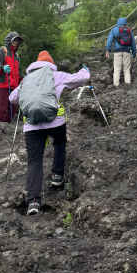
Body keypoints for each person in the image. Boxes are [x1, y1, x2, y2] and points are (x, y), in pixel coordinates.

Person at [8, 51, 90, 216]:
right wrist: (85, 70)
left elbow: (12, 98)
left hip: (31, 125)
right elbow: (80, 79)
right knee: (59, 143)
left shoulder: (26, 80)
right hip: (55, 121)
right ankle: (57, 176)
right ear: (51, 64)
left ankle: (33, 201)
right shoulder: (56, 75)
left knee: (34, 161)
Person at [0, 31, 22, 124]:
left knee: (13, 108)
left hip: (14, 85)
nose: (16, 43)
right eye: (14, 40)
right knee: (2, 107)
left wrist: (23, 80)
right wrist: (3, 68)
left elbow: (18, 72)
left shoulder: (16, 56)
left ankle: (6, 127)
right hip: (3, 83)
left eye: (18, 41)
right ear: (9, 41)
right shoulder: (2, 51)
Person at [105, 16, 137, 87]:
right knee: (126, 69)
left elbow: (109, 41)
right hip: (127, 52)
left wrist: (107, 50)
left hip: (117, 52)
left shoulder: (114, 30)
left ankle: (116, 85)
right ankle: (128, 84)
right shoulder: (129, 30)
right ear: (125, 23)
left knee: (117, 69)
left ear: (117, 22)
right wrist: (134, 53)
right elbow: (133, 43)